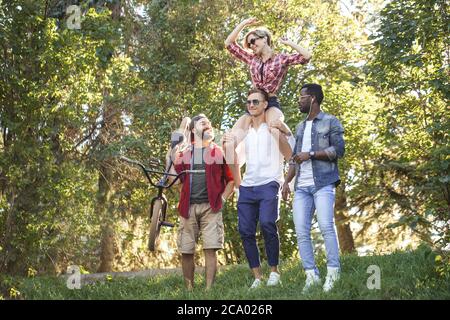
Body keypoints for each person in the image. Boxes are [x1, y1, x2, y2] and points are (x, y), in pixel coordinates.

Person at [223, 88, 295, 289]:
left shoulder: (272, 128)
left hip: (270, 183)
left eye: (256, 101)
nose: (251, 105)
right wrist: (238, 184)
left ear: (265, 104)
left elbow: (290, 155)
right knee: (245, 231)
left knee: (267, 224)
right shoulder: (244, 133)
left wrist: (287, 181)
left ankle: (274, 272)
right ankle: (257, 276)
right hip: (248, 186)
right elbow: (231, 157)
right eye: (249, 102)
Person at [282, 84, 345, 293]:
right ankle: (311, 276)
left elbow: (338, 150)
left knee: (326, 226)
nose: (299, 100)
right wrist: (286, 182)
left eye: (302, 97)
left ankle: (333, 273)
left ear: (313, 98)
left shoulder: (330, 121)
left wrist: (310, 154)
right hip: (302, 186)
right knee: (301, 230)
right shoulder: (300, 127)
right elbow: (294, 159)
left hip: (323, 183)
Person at [224, 17, 312, 150]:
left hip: (270, 102)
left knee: (274, 128)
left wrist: (289, 43)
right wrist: (243, 23)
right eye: (249, 45)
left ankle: (293, 162)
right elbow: (229, 44)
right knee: (230, 139)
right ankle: (228, 168)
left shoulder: (280, 59)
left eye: (253, 41)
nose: (252, 46)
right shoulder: (252, 59)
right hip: (254, 102)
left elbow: (306, 56)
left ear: (264, 39)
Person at [173, 114, 234, 290]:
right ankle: (189, 290)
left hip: (211, 208)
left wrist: (222, 199)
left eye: (209, 122)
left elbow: (231, 180)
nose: (207, 124)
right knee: (186, 250)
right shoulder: (184, 153)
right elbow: (175, 180)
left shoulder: (218, 152)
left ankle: (208, 290)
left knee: (211, 248)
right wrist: (174, 150)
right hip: (187, 208)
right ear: (193, 130)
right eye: (202, 123)